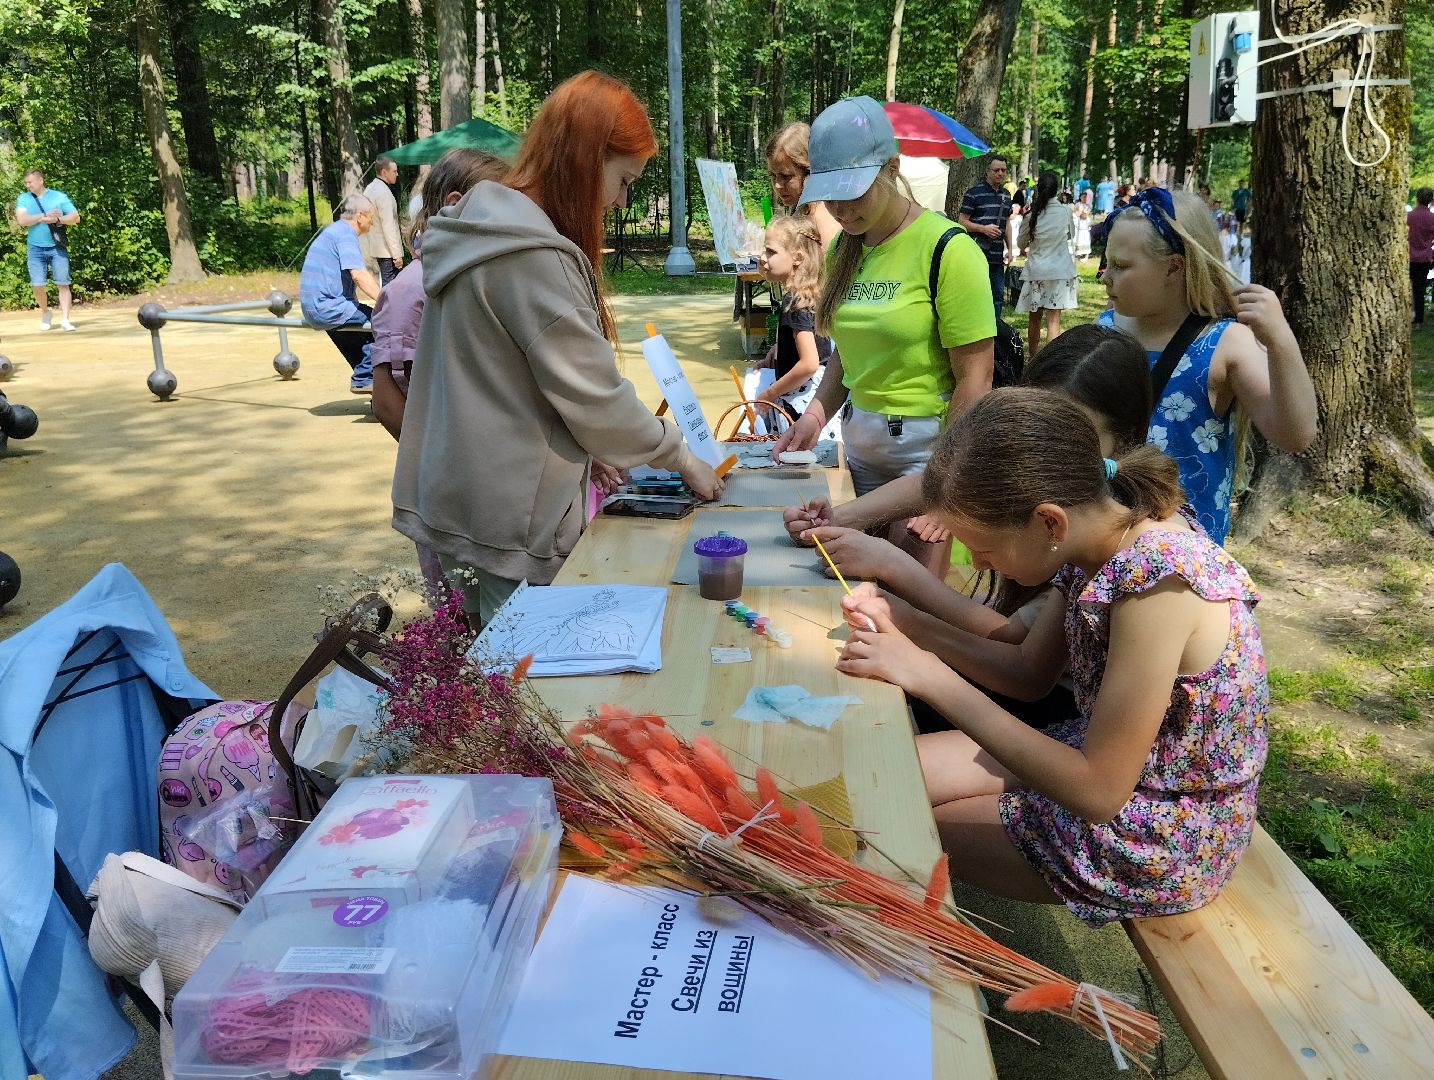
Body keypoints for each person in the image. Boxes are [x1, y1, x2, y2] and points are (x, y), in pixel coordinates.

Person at [834, 388, 1269, 925]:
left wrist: (927, 675)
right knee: (870, 776)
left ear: (1047, 522)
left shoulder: (1157, 584)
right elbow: (1024, 675)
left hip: (1167, 830)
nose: (982, 562)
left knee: (893, 819)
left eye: (984, 549)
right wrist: (907, 621)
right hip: (1106, 762)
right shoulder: (1090, 536)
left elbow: (1099, 791)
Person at [391, 71, 723, 628]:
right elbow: (595, 398)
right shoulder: (531, 254)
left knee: (484, 676)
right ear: (587, 160)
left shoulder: (481, 227)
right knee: (522, 690)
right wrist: (681, 456)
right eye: (623, 179)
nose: (620, 201)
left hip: (457, 500)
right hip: (508, 516)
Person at [790, 324, 1155, 732]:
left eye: (1073, 431)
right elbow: (933, 484)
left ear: (1124, 441)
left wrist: (901, 592)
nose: (1046, 447)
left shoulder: (1122, 553)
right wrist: (839, 519)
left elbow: (1024, 669)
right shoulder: (1088, 516)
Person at [773, 96, 995, 576]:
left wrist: (944, 482)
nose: (843, 209)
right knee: (849, 600)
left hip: (925, 458)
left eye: (855, 191)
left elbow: (976, 380)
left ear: (891, 167)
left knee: (906, 609)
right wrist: (814, 416)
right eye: (832, 194)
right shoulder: (843, 253)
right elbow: (846, 356)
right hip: (858, 453)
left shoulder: (949, 250)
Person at [1099, 187, 1317, 542]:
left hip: (1179, 560)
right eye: (1107, 261)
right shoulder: (1103, 329)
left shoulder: (1223, 344)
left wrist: (1280, 340)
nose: (1105, 276)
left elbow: (1296, 435)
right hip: (1101, 542)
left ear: (1174, 266)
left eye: (1121, 266)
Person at [371, 149, 508, 594]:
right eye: (502, 203)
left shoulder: (481, 276)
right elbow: (388, 404)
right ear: (454, 204)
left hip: (491, 487)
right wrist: (445, 460)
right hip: (449, 490)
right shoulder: (412, 290)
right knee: (461, 611)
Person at [752, 214, 833, 420]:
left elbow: (809, 363)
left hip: (800, 405)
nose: (762, 257)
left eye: (771, 251)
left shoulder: (794, 301)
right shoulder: (808, 295)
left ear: (797, 258)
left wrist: (769, 394)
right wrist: (780, 349)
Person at [299, 193, 381, 394]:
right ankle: (364, 377)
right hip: (330, 307)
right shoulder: (345, 235)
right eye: (372, 217)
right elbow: (359, 276)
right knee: (383, 322)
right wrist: (387, 301)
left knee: (357, 335)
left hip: (316, 308)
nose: (372, 222)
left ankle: (366, 377)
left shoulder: (333, 231)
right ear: (360, 216)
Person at [1014, 171, 1078, 358]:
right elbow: (1071, 235)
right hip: (1059, 271)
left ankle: (1034, 357)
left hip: (1037, 271)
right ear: (1056, 189)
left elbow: (1020, 243)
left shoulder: (1032, 214)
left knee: (1034, 319)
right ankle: (1050, 361)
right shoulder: (1065, 211)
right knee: (1053, 321)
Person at [15, 168, 80, 331]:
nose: (27, 185)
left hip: (57, 247)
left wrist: (57, 218)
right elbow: (22, 220)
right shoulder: (23, 198)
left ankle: (65, 320)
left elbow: (75, 217)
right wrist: (42, 217)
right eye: (26, 183)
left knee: (63, 283)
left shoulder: (58, 197)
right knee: (37, 284)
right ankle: (45, 312)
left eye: (30, 182)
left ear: (40, 180)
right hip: (35, 248)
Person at [763, 123, 841, 251]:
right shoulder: (801, 210)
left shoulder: (822, 215)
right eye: (773, 175)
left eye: (786, 176)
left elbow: (831, 268)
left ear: (809, 172)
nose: (777, 185)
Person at [958, 154, 1014, 317]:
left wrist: (1010, 249)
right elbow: (962, 221)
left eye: (1003, 170)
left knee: (997, 297)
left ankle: (995, 335)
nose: (1000, 173)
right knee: (975, 295)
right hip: (976, 254)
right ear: (988, 171)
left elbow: (1007, 224)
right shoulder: (974, 193)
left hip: (997, 257)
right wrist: (983, 229)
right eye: (996, 170)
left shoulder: (1006, 195)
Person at [362, 156, 405, 285]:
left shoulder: (370, 188)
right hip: (387, 251)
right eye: (394, 171)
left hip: (375, 247)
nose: (397, 174)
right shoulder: (383, 193)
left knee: (387, 285)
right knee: (391, 287)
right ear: (384, 172)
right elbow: (388, 225)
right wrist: (396, 254)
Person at [1408, 187, 1434, 329]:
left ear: (1417, 198)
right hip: (1424, 259)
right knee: (1419, 290)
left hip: (1408, 257)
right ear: (1430, 201)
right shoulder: (1432, 218)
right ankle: (1418, 322)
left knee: (1407, 288)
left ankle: (1406, 316)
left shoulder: (1408, 216)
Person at [1072, 189, 1093, 261]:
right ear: (1080, 197)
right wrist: (1081, 213)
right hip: (1079, 225)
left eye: (1085, 197)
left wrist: (1085, 213)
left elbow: (1088, 214)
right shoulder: (1078, 205)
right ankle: (1077, 254)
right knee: (1078, 238)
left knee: (1086, 238)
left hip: (1085, 226)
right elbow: (1076, 213)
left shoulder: (1088, 206)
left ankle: (1086, 255)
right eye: (1083, 197)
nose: (1084, 198)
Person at [1231, 177, 1252, 246]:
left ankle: (1240, 235)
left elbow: (1250, 199)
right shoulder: (1235, 192)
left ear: (1244, 184)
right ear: (1238, 184)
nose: (1241, 185)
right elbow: (1233, 200)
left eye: (1242, 184)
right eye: (1240, 183)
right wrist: (1232, 207)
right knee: (1235, 222)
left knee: (1242, 222)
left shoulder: (1246, 191)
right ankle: (1234, 235)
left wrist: (1248, 207)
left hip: (1243, 209)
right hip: (1236, 208)